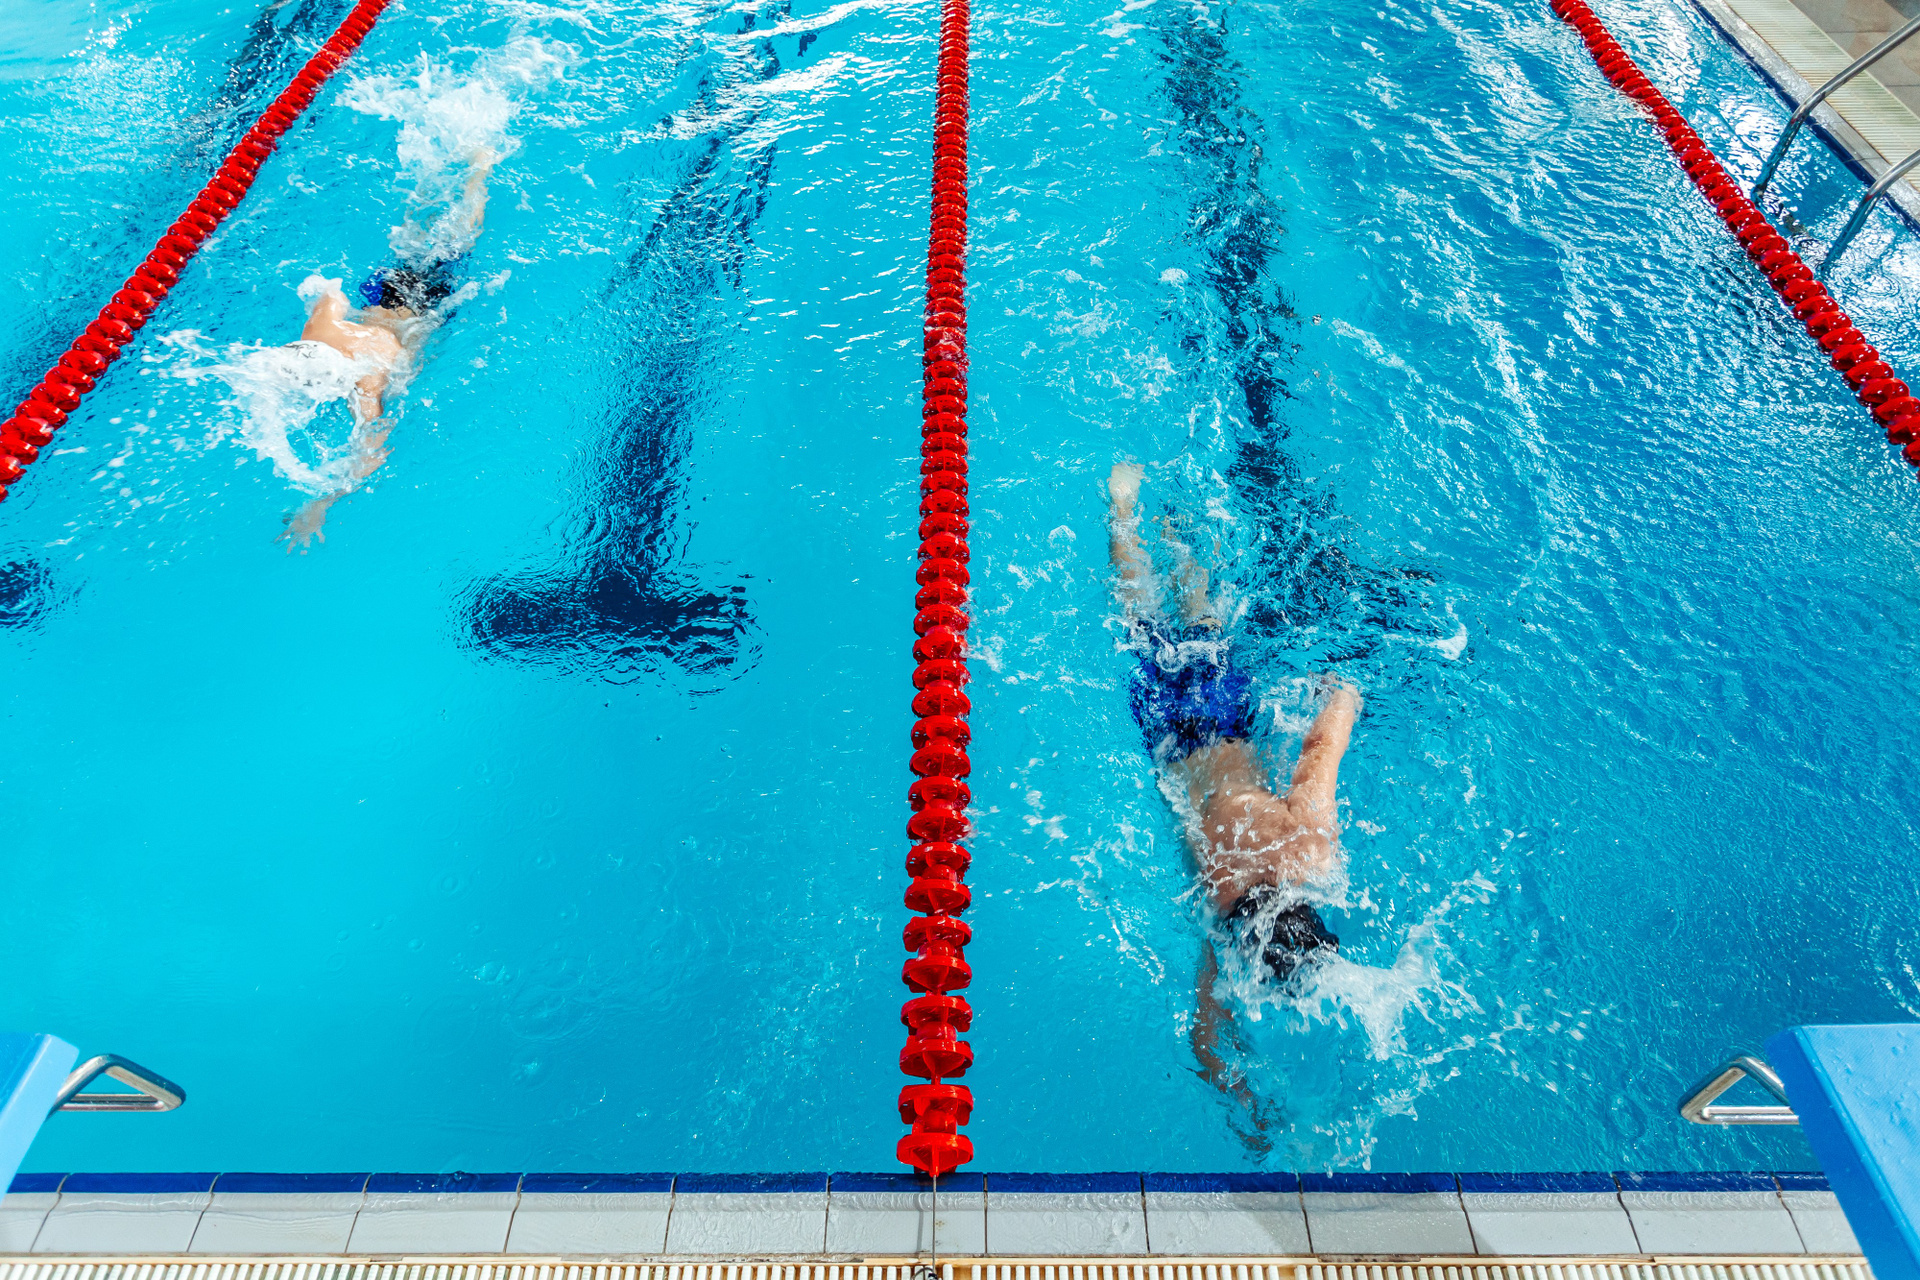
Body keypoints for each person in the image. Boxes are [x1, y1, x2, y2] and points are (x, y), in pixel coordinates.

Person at [1106, 462, 1360, 1107]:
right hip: (1171, 739)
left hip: (1226, 719)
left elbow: (1320, 749)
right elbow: (1205, 1035)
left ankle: (1167, 526)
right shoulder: (1220, 909)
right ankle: (1123, 515)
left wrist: (1342, 694)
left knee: (1201, 618)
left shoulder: (1312, 850)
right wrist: (1246, 1102)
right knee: (1141, 617)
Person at [278, 149, 496, 550]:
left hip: (423, 304)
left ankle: (482, 167)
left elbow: (373, 453)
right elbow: (329, 292)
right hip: (386, 288)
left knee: (458, 240)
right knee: (419, 240)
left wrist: (321, 503)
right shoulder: (323, 328)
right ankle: (467, 168)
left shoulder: (367, 378)